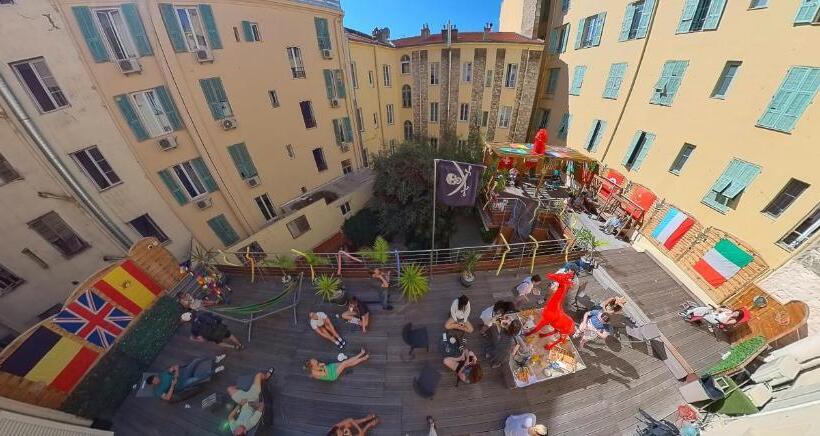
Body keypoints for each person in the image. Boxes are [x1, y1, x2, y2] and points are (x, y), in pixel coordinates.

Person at [148, 354, 226, 401]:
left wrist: (176, 373)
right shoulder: (158, 391)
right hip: (181, 384)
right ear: (153, 384)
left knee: (196, 361)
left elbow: (175, 367)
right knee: (197, 378)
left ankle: (216, 359)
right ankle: (215, 371)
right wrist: (172, 385)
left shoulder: (162, 375)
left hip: (183, 374)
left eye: (156, 378)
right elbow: (167, 398)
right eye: (155, 381)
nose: (157, 379)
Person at [227, 369, 274, 435]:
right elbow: (261, 406)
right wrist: (250, 403)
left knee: (229, 389)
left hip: (242, 402)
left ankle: (243, 387)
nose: (236, 429)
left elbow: (230, 417)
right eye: (238, 430)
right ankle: (266, 376)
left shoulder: (234, 430)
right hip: (252, 399)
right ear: (245, 431)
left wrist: (240, 405)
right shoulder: (250, 424)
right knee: (259, 375)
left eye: (235, 431)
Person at [305, 349, 370, 382]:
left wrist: (323, 365)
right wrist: (324, 366)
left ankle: (362, 357)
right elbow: (325, 374)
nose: (315, 359)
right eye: (313, 360)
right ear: (312, 365)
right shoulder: (314, 372)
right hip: (332, 375)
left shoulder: (316, 365)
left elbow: (323, 367)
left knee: (347, 364)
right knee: (344, 363)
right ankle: (361, 355)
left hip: (330, 367)